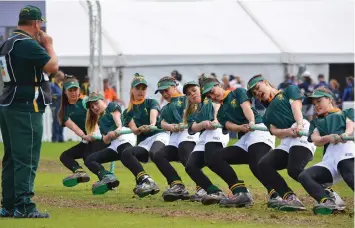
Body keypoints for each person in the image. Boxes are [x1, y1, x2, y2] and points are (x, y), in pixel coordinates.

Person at [0, 5, 58, 218]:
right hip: (26, 106)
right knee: (27, 157)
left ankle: (8, 204)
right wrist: (49, 45)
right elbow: (52, 67)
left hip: (9, 102)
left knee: (12, 158)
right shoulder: (26, 43)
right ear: (36, 23)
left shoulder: (7, 43)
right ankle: (24, 206)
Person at [200, 76, 277, 208]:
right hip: (245, 138)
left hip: (258, 131)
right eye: (208, 96)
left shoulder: (237, 92)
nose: (212, 97)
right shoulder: (220, 112)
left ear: (218, 85)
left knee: (256, 164)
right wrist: (240, 128)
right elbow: (228, 125)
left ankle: (278, 195)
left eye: (212, 92)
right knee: (214, 158)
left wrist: (251, 122)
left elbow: (245, 107)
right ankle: (241, 193)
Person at [246, 74, 316, 211]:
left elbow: (296, 108)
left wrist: (299, 125)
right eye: (254, 93)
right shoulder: (266, 116)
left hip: (301, 130)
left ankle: (327, 194)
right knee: (264, 164)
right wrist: (289, 132)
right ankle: (289, 197)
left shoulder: (289, 90)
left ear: (266, 82)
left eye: (258, 88)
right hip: (288, 136)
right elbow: (275, 131)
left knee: (294, 169)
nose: (257, 93)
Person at [298, 87, 353, 215]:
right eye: (314, 103)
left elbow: (351, 126)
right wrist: (328, 137)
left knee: (350, 177)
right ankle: (328, 202)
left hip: (346, 151)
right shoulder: (316, 122)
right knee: (304, 176)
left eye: (319, 101)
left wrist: (346, 134)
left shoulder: (346, 112)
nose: (316, 105)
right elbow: (316, 139)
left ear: (329, 99)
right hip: (329, 159)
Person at [120, 74, 170, 198]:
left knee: (156, 153)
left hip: (159, 135)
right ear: (132, 90)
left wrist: (151, 124)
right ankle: (146, 180)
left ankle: (175, 183)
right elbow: (134, 130)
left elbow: (154, 113)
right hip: (144, 142)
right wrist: (138, 129)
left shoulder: (151, 102)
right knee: (126, 153)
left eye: (143, 88)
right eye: (138, 88)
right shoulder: (127, 112)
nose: (141, 91)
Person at [184, 77, 230, 205]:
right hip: (204, 135)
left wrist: (215, 119)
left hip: (217, 131)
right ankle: (214, 191)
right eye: (188, 93)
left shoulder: (208, 99)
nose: (192, 94)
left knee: (213, 160)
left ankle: (238, 189)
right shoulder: (193, 109)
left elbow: (217, 106)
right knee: (191, 166)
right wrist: (203, 124)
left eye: (194, 90)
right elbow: (192, 127)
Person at [153, 78, 200, 202]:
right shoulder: (165, 108)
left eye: (166, 90)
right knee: (159, 155)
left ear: (174, 87)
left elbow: (194, 110)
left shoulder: (186, 98)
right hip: (175, 138)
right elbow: (161, 122)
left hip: (189, 133)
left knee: (186, 154)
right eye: (161, 92)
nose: (164, 94)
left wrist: (183, 123)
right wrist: (168, 126)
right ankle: (177, 185)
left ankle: (202, 187)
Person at [58, 77, 106, 188]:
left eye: (76, 89)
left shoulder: (86, 101)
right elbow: (74, 127)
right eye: (70, 90)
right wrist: (85, 136)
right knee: (65, 156)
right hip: (87, 139)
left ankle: (105, 177)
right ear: (65, 92)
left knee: (87, 157)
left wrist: (94, 134)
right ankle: (80, 172)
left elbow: (97, 116)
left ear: (79, 90)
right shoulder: (64, 111)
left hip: (99, 136)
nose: (74, 92)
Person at [84, 92, 136, 195]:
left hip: (125, 138)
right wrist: (108, 136)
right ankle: (108, 178)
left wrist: (118, 128)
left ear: (103, 101)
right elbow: (106, 140)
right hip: (114, 144)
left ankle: (143, 179)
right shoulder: (100, 121)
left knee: (126, 156)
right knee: (89, 160)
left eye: (96, 103)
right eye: (92, 107)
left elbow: (117, 117)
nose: (94, 107)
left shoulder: (111, 106)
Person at [50, 71, 65, 142]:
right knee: (56, 122)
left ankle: (60, 138)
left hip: (61, 107)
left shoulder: (60, 86)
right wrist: (60, 96)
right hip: (55, 106)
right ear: (57, 77)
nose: (61, 81)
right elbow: (51, 96)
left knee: (61, 122)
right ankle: (55, 138)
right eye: (60, 79)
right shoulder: (52, 85)